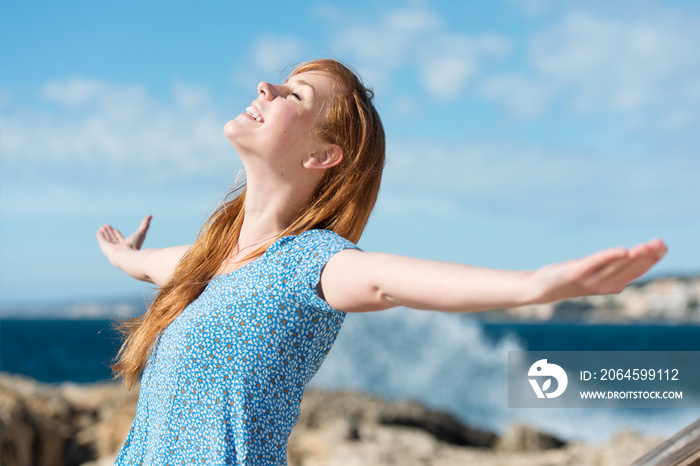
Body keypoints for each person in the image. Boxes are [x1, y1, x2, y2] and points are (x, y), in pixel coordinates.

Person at [96, 58, 667, 465]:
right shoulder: (208, 261)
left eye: (295, 95)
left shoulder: (312, 263)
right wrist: (125, 255)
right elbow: (152, 267)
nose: (266, 87)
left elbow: (399, 281)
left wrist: (537, 285)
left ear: (323, 155)